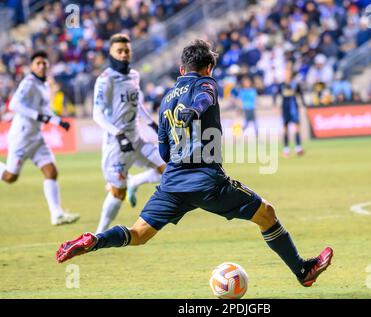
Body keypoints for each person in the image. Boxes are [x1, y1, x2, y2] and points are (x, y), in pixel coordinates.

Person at [56, 40, 333, 288]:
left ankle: (95, 240)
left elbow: (164, 152)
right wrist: (196, 110)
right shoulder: (206, 84)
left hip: (172, 184)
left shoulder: (166, 100)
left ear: (181, 69)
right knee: (267, 215)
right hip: (208, 182)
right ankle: (302, 270)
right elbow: (205, 97)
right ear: (209, 67)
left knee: (138, 234)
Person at [91, 33, 166, 233]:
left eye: (127, 51)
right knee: (118, 193)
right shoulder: (106, 79)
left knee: (169, 169)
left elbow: (137, 103)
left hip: (136, 139)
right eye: (120, 51)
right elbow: (97, 114)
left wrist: (153, 124)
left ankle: (136, 180)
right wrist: (118, 134)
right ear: (111, 53)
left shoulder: (134, 75)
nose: (124, 55)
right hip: (117, 145)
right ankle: (99, 234)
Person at [0, 51, 79, 226]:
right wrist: (39, 116)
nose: (42, 66)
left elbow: (44, 111)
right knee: (10, 177)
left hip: (36, 137)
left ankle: (56, 214)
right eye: (38, 63)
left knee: (51, 171)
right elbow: (14, 105)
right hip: (22, 137)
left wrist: (58, 121)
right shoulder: (28, 83)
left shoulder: (44, 85)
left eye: (44, 63)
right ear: (32, 66)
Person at [275, 66, 305, 157]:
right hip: (285, 108)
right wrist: (275, 105)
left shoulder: (295, 84)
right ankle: (286, 149)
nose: (286, 75)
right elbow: (276, 95)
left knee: (296, 127)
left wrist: (304, 105)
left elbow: (301, 94)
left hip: (294, 108)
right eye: (285, 73)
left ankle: (298, 148)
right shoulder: (282, 85)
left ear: (291, 74)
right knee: (285, 128)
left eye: (287, 73)